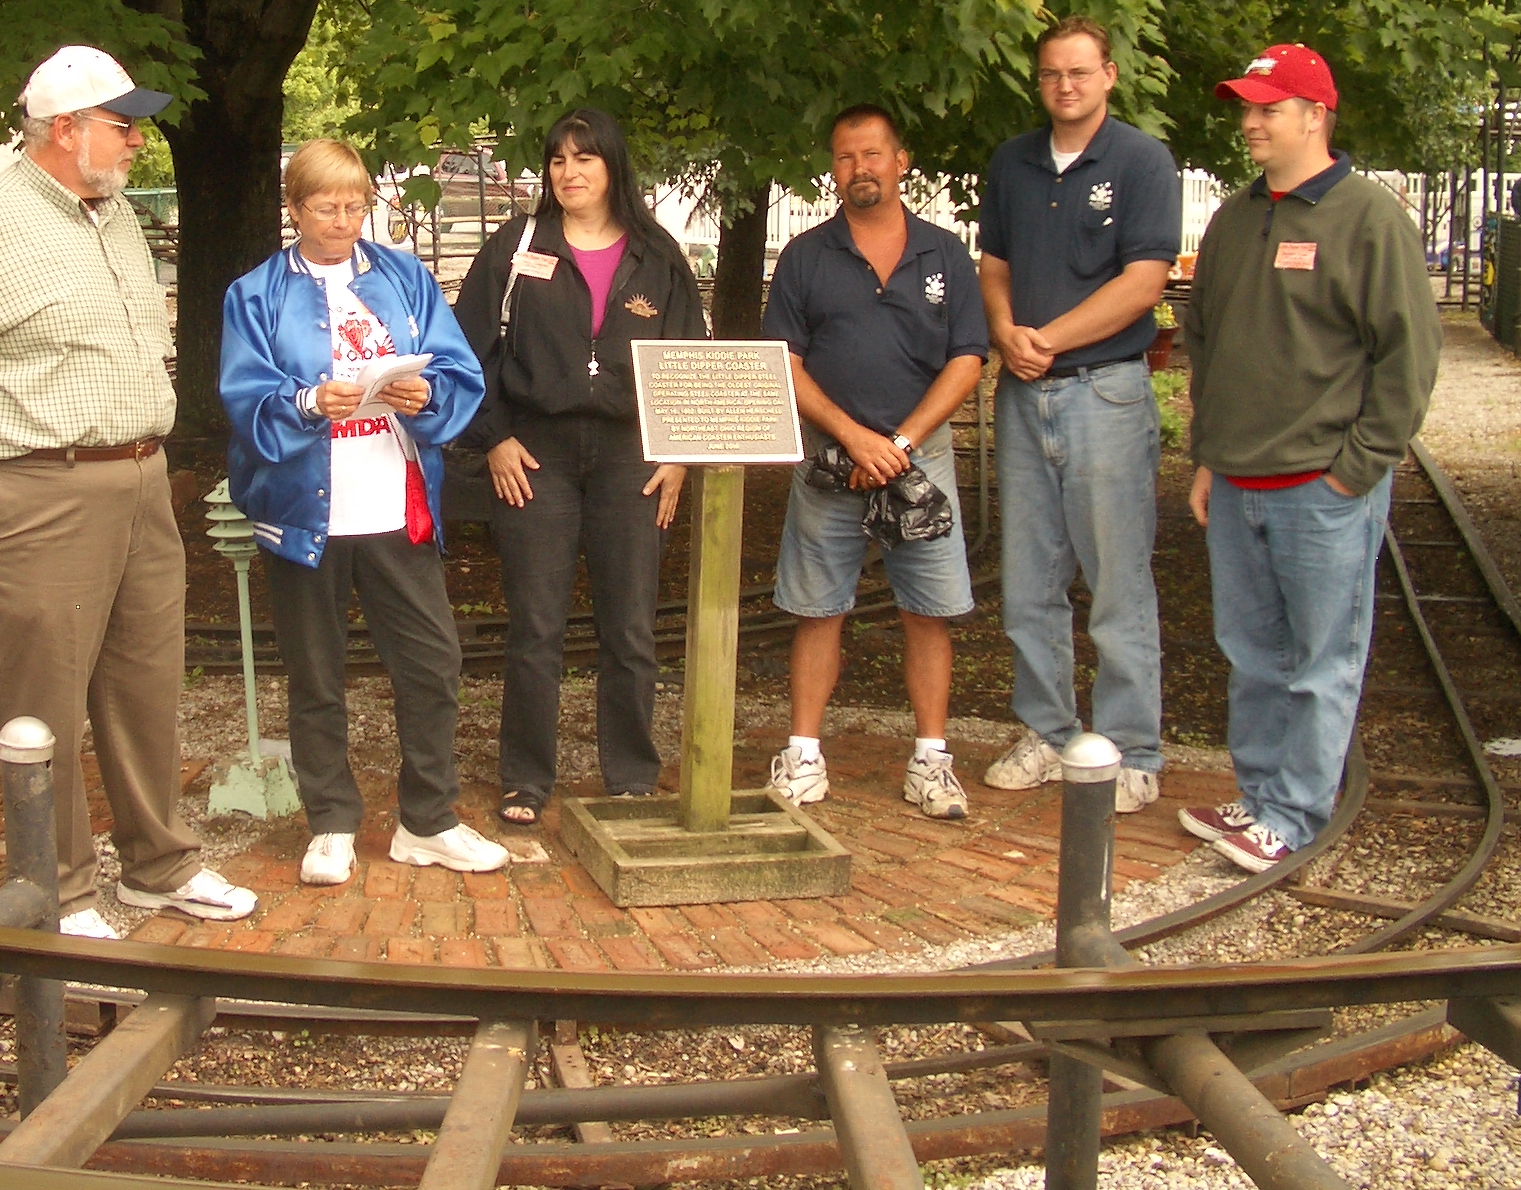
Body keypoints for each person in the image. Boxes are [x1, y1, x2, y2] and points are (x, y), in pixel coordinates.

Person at [0, 45, 256, 939]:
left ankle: (159, 866)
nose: (138, 141)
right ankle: (57, 892)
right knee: (39, 705)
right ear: (64, 128)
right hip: (33, 491)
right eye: (124, 125)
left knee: (144, 685)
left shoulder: (115, 217)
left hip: (140, 482)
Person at [1180, 44, 1440, 872]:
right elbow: (1207, 342)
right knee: (1252, 655)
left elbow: (1407, 358)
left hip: (1323, 488)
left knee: (1321, 662)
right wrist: (1209, 457)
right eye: (1246, 109)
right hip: (1238, 480)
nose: (1250, 123)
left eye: (1268, 109)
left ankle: (1295, 813)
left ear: (1315, 116)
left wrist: (1356, 468)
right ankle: (1260, 795)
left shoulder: (1370, 220)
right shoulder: (1234, 218)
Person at [220, 139, 507, 885]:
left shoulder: (405, 277)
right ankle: (330, 824)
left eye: (355, 206)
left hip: (393, 505)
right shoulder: (255, 294)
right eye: (326, 207)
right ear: (294, 209)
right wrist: (309, 401)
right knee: (316, 674)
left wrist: (427, 394)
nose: (343, 221)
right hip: (304, 513)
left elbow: (457, 369)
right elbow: (244, 397)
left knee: (432, 663)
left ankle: (428, 820)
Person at [452, 108, 706, 826]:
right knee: (536, 625)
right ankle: (526, 778)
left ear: (612, 165)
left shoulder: (658, 254)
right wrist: (494, 437)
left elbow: (688, 356)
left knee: (631, 625)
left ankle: (630, 774)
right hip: (536, 454)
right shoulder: (515, 247)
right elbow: (465, 353)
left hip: (631, 457)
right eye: (558, 160)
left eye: (584, 158)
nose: (569, 172)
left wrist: (678, 455)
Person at [976, 16, 1183, 814]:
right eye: (1051, 74)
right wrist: (1005, 331)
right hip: (1023, 393)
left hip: (1106, 391)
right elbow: (994, 265)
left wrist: (1047, 340)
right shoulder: (1013, 162)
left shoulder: (1141, 161)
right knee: (1029, 579)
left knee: (1117, 580)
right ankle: (1049, 732)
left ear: (1109, 75)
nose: (1065, 86)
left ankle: (1132, 750)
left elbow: (1144, 282)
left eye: (1079, 72)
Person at [762, 107, 989, 819]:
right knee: (816, 610)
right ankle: (804, 755)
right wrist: (855, 438)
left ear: (901, 161)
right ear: (833, 169)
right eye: (845, 157)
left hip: (923, 461)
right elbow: (784, 362)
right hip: (830, 460)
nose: (859, 168)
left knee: (929, 613)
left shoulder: (945, 254)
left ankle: (932, 762)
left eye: (872, 154)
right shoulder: (805, 256)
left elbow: (968, 358)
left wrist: (900, 445)